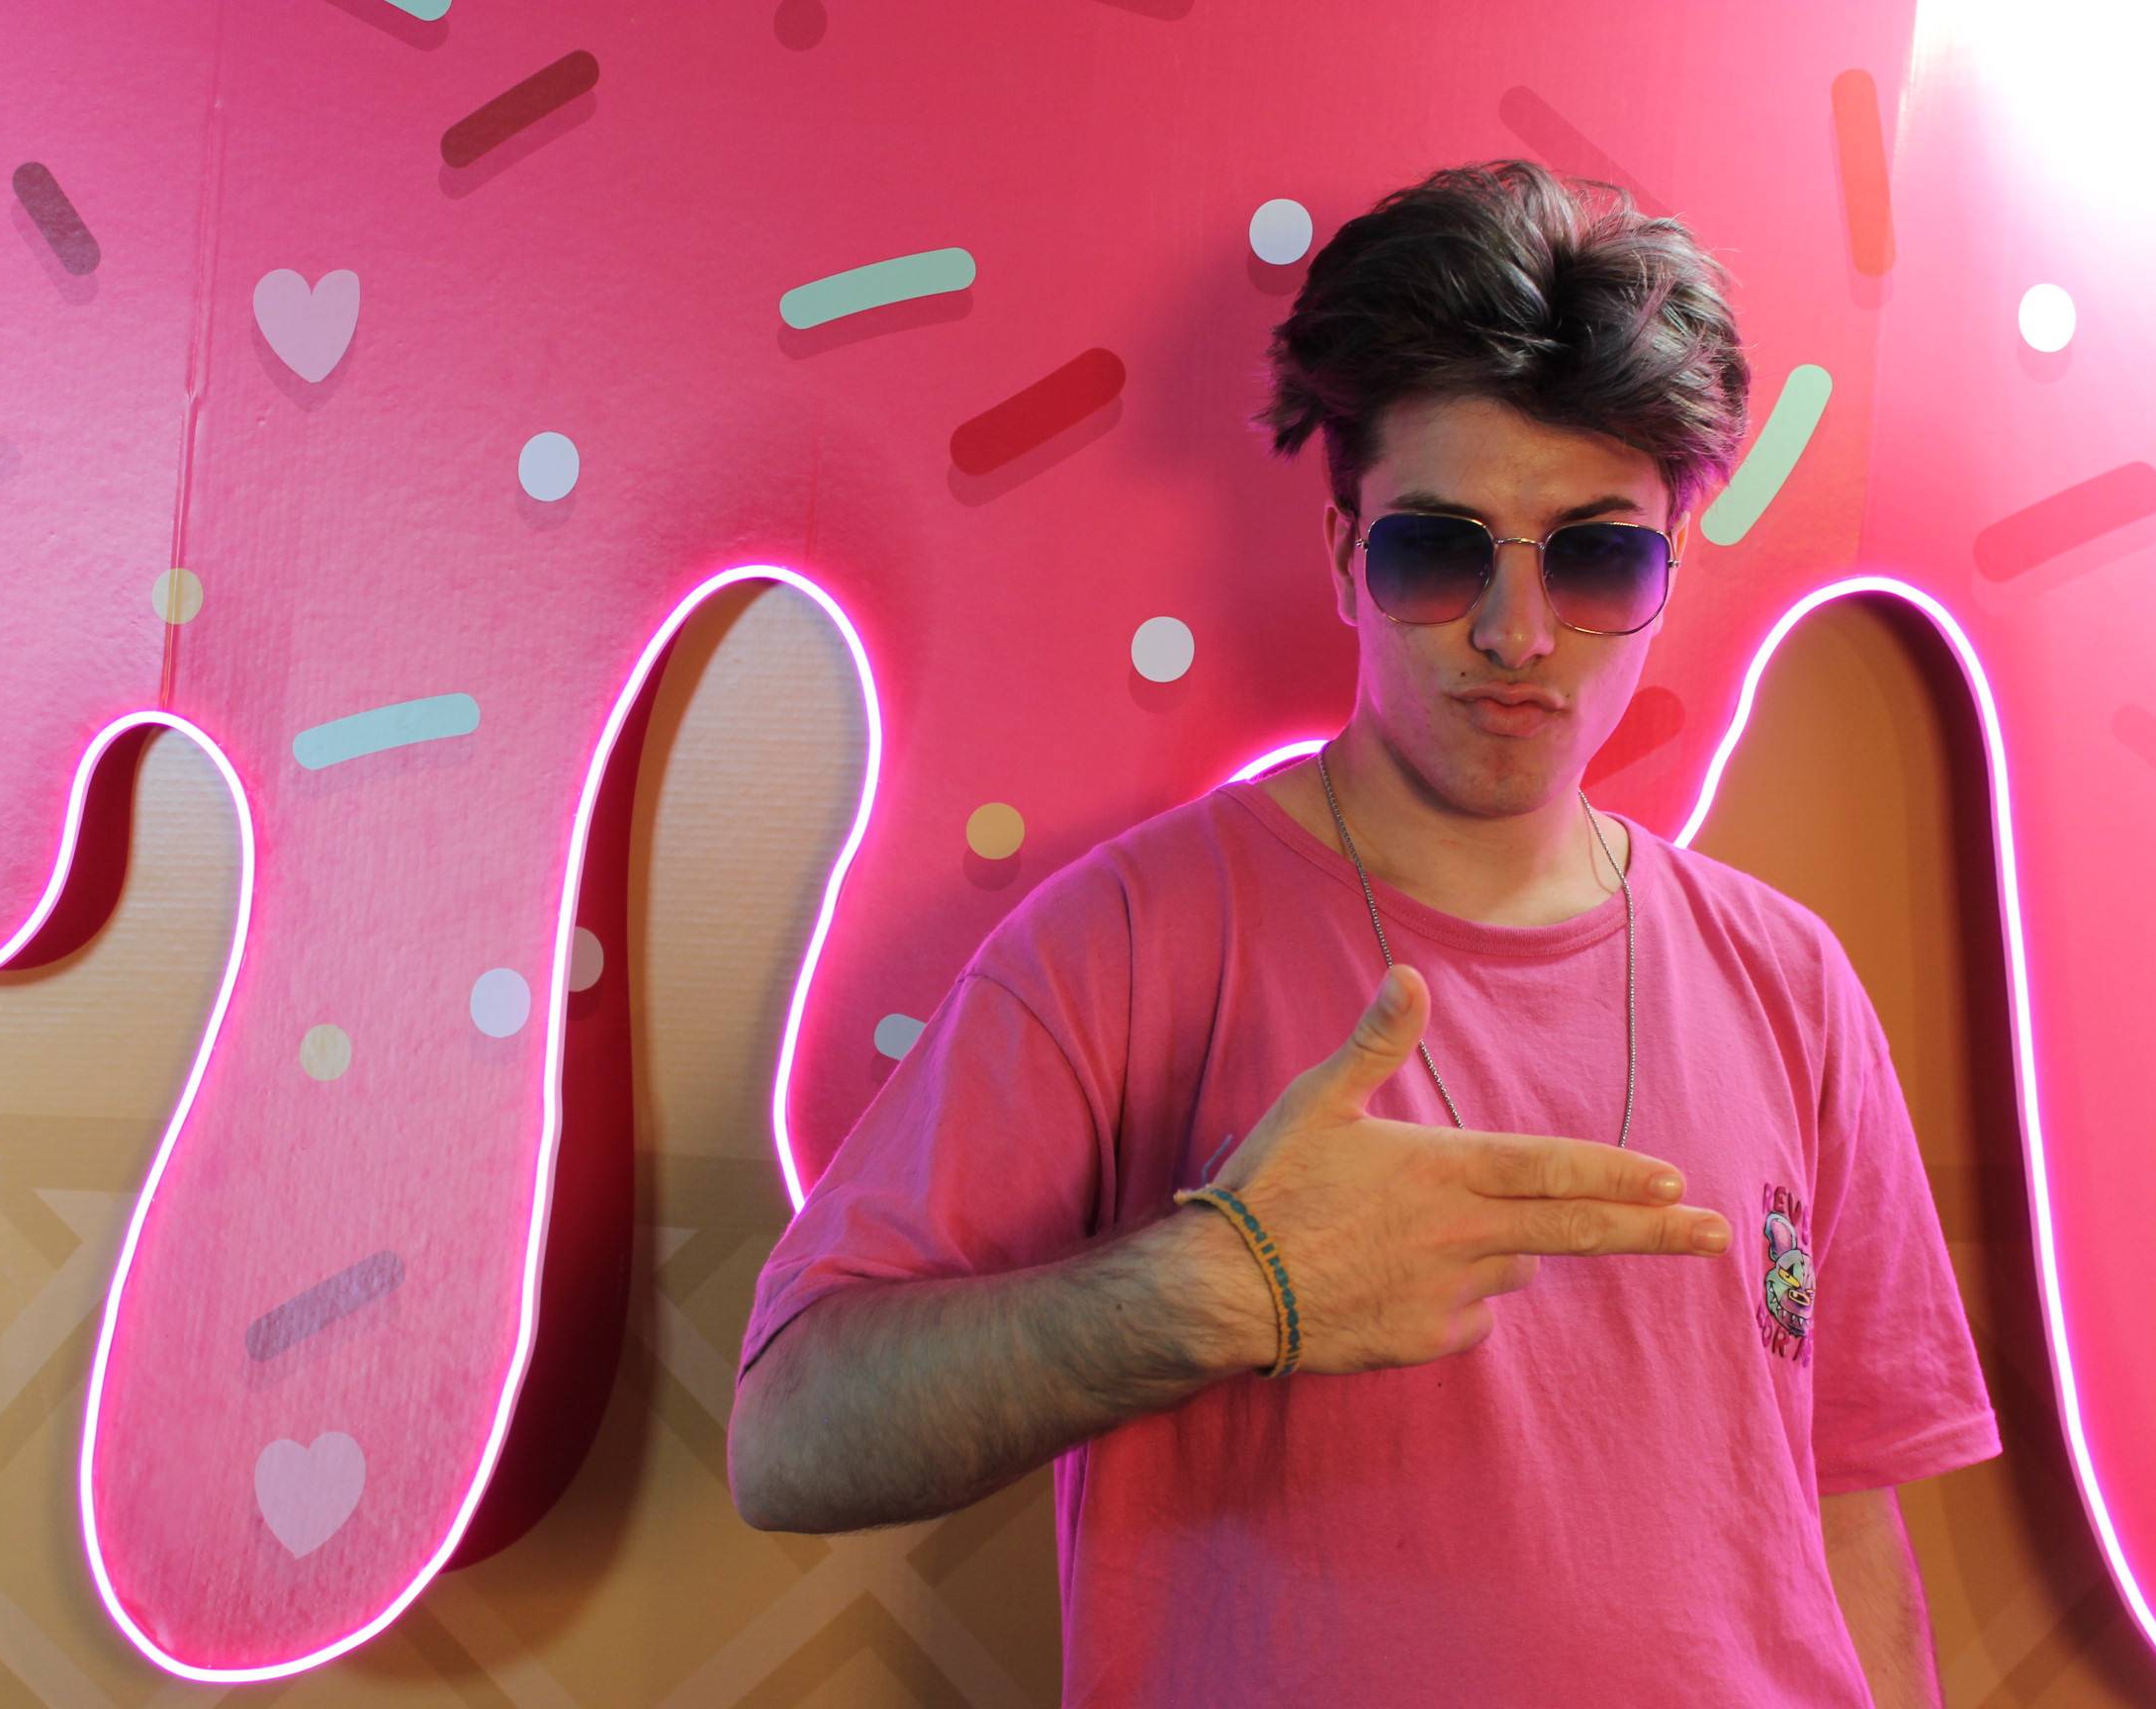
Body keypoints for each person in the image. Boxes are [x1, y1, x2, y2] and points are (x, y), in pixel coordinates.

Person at [726, 158, 2000, 1706]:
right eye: (1438, 549)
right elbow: (789, 1435)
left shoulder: (1789, 979)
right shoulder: (1130, 940)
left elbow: (1845, 1518)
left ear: (1668, 573)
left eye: (1596, 557)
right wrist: (1211, 1293)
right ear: (1345, 559)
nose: (1515, 635)